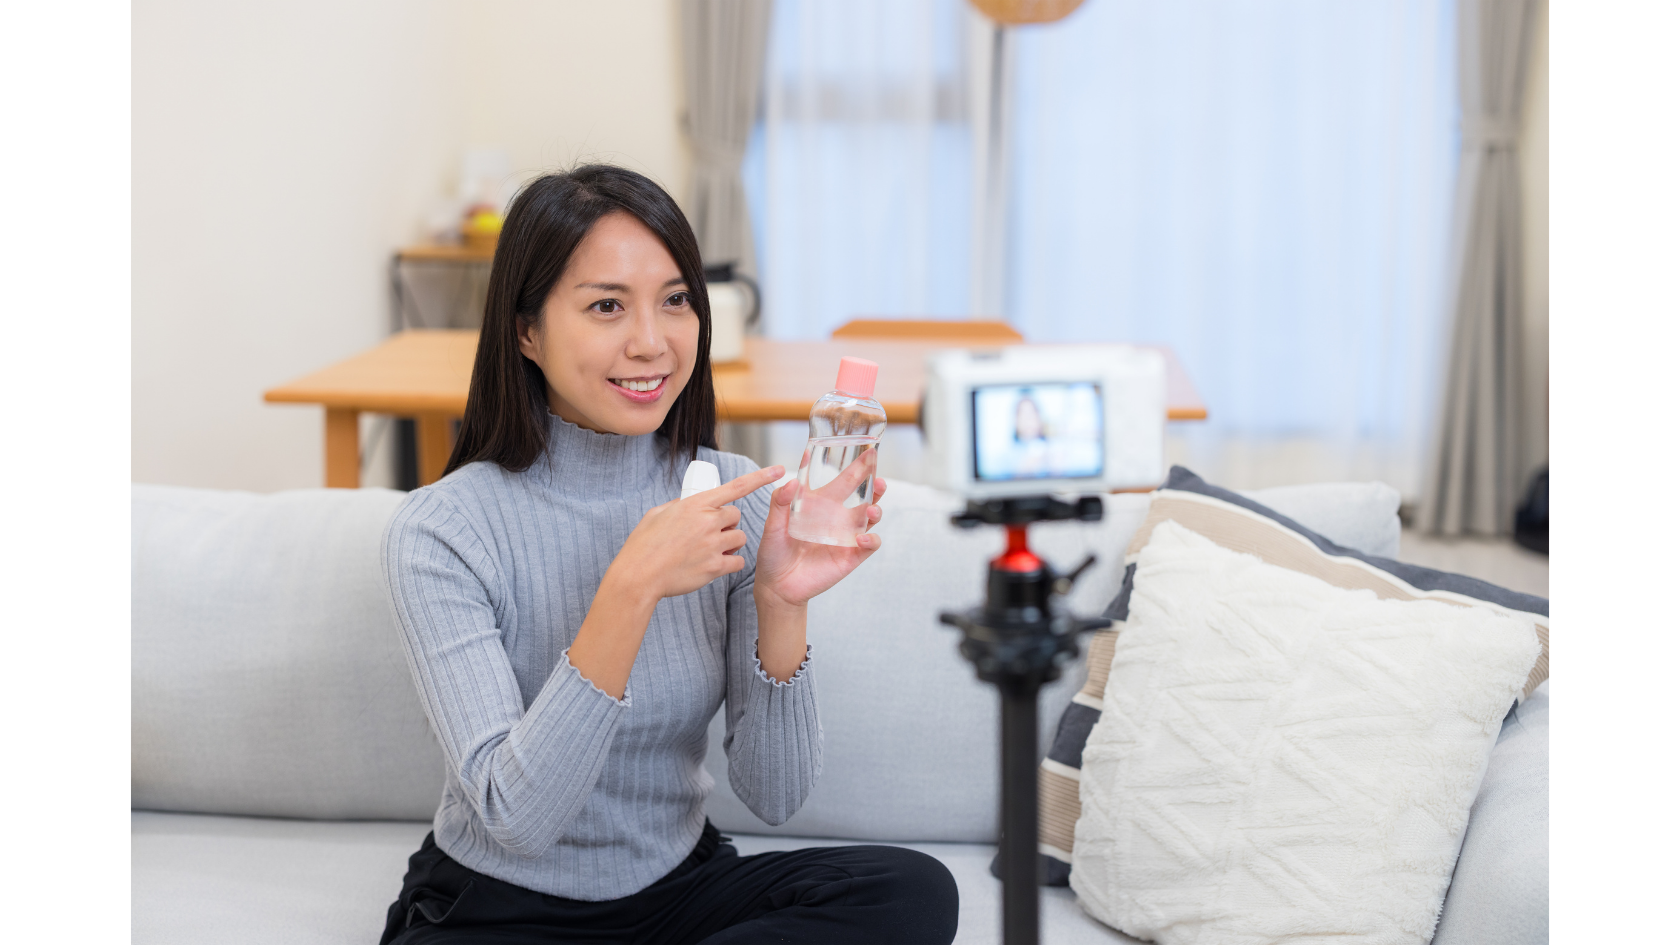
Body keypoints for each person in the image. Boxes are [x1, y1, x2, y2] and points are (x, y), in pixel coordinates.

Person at [378, 165, 959, 944]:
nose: (651, 342)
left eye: (677, 300)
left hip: (678, 889)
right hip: (501, 903)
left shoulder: (735, 497)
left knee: (912, 891)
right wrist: (633, 584)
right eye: (607, 305)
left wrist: (781, 605)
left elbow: (775, 795)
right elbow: (517, 818)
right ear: (526, 331)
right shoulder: (443, 530)